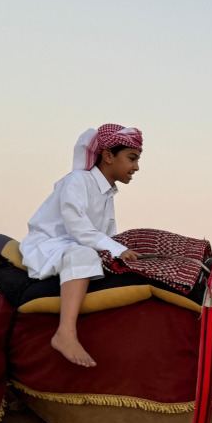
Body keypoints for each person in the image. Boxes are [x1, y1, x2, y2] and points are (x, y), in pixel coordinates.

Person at [19, 123, 144, 367]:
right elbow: (79, 229)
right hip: (51, 244)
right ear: (108, 155)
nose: (136, 167)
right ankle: (65, 333)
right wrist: (117, 249)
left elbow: (108, 236)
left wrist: (120, 251)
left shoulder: (107, 194)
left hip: (78, 245)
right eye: (132, 158)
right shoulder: (77, 180)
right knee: (83, 254)